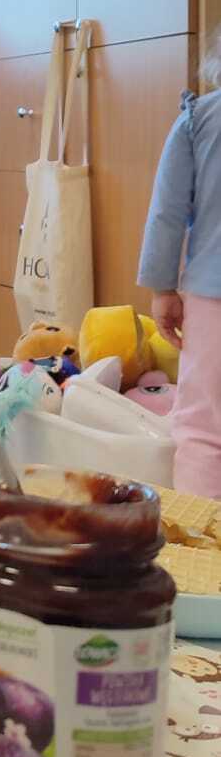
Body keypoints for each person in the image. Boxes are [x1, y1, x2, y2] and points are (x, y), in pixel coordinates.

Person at [139, 40, 221, 497]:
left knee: (204, 429)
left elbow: (167, 213)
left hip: (213, 295)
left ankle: (203, 534)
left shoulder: (200, 119)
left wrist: (162, 287)